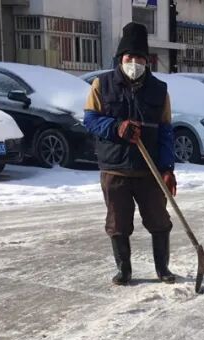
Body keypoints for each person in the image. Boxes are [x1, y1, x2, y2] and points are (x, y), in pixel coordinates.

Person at [82, 22, 177, 286]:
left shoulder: (159, 90)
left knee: (159, 220)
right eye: (129, 57)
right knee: (118, 223)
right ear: (120, 59)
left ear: (147, 61)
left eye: (139, 58)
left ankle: (163, 268)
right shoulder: (102, 85)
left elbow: (166, 131)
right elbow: (90, 120)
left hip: (149, 171)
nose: (134, 63)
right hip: (115, 169)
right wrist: (117, 127)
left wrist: (167, 168)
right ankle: (124, 270)